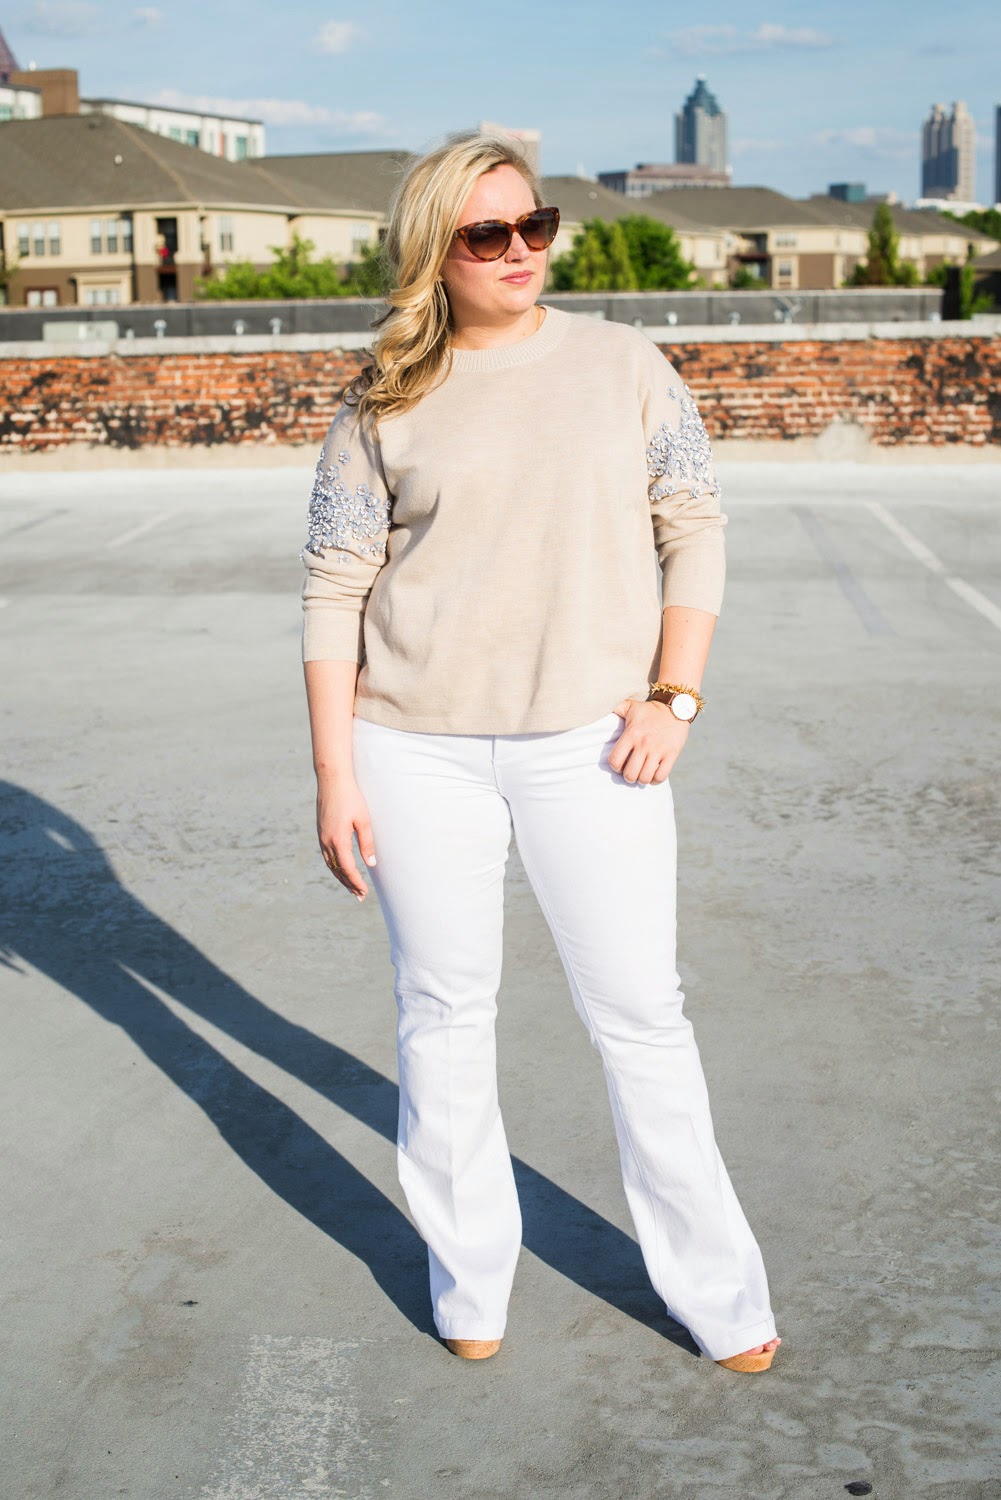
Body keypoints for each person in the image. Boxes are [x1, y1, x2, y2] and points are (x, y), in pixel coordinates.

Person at [300, 129, 781, 1374]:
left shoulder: (624, 365)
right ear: (433, 253)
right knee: (441, 1014)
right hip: (413, 748)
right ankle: (469, 1284)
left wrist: (674, 696)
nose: (519, 251)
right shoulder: (380, 400)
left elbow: (693, 527)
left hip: (594, 744)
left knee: (640, 1016)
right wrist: (335, 774)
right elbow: (334, 588)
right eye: (486, 234)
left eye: (535, 224)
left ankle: (721, 1300)